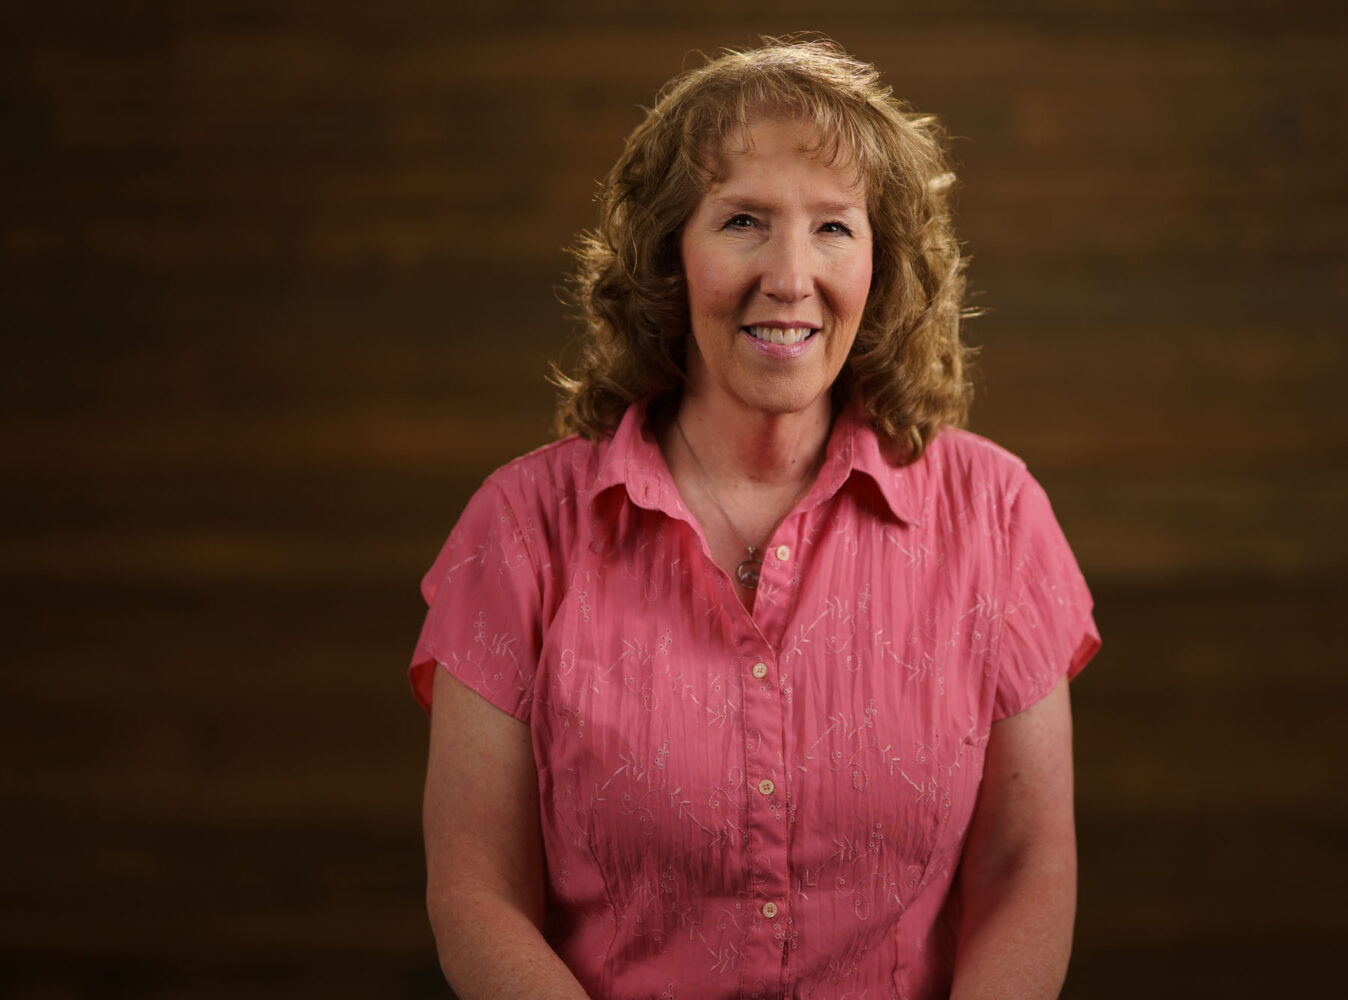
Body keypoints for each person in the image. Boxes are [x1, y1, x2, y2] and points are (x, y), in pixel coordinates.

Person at [410, 38, 1099, 1000]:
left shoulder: (996, 513)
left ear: (879, 265)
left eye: (833, 229)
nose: (789, 275)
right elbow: (477, 894)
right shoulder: (523, 528)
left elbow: (1027, 872)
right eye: (742, 221)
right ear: (668, 260)